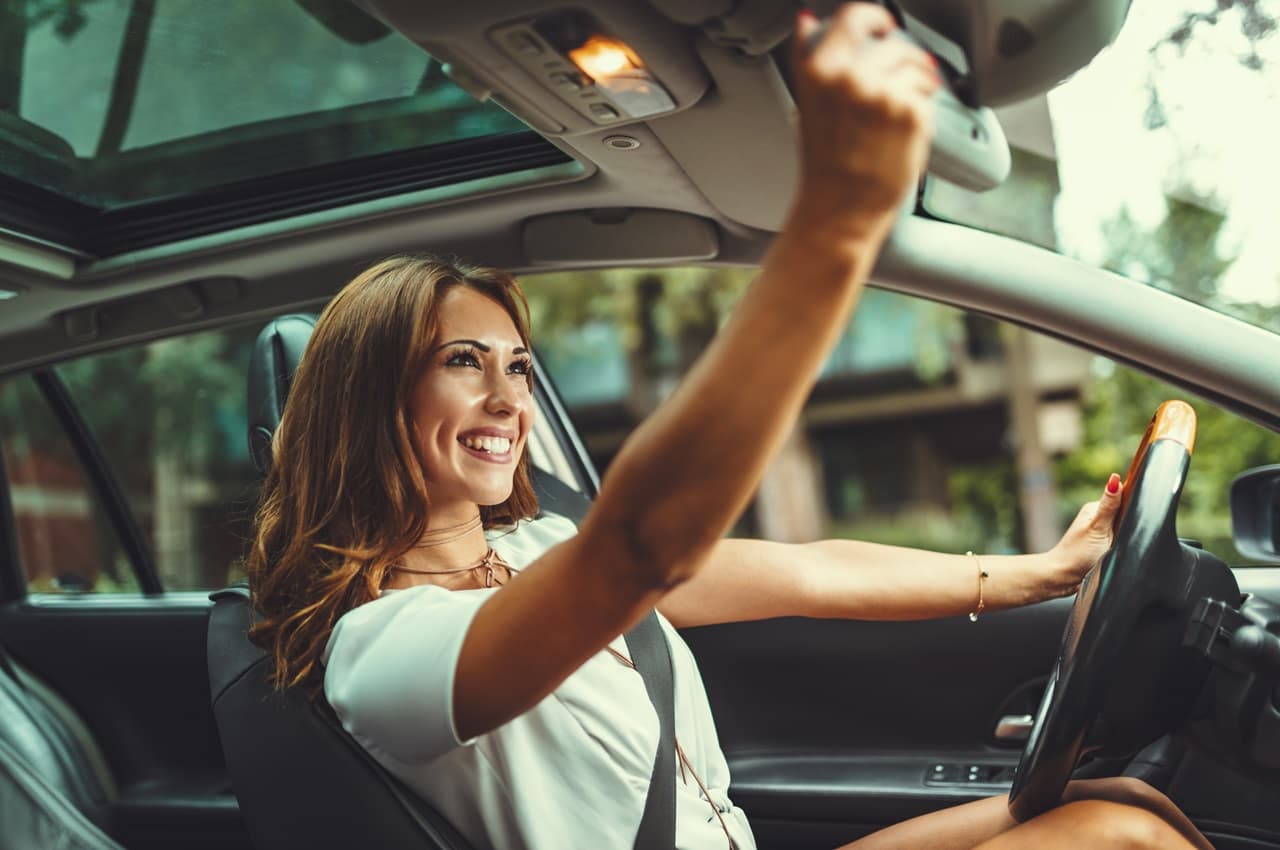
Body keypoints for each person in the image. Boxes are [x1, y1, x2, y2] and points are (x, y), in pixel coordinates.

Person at [246, 5, 1212, 850]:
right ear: (370, 400)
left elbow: (809, 572)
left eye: (520, 367)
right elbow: (638, 551)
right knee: (1118, 837)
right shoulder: (383, 653)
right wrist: (834, 224)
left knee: (1127, 807)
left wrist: (1035, 575)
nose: (509, 399)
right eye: (464, 362)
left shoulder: (540, 543)